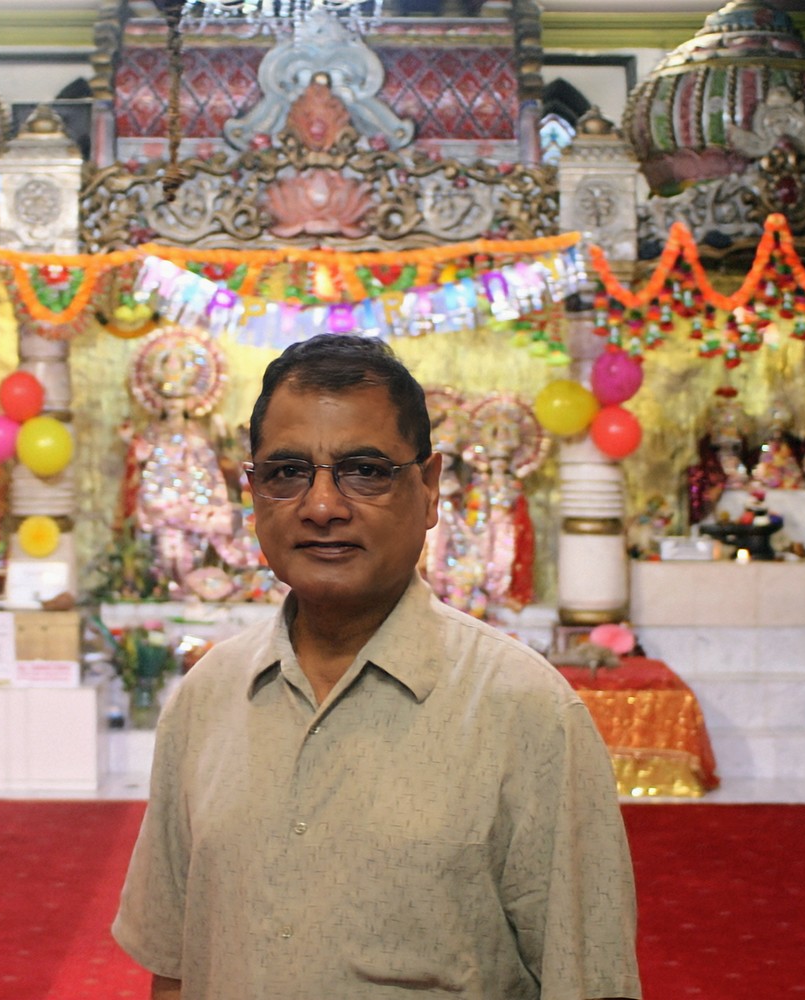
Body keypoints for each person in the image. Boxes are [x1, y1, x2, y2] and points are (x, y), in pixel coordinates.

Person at [113, 335, 641, 1000]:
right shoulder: (208, 697)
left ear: (428, 490)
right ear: (253, 495)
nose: (323, 506)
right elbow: (176, 964)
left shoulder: (526, 711)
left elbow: (589, 979)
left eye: (364, 470)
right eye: (287, 472)